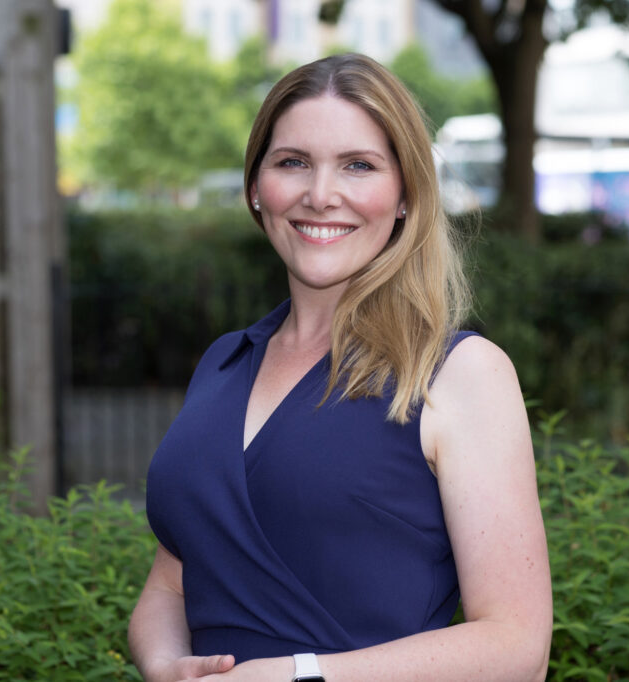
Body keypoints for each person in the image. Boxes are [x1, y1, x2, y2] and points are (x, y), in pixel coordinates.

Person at [128, 53, 552, 682]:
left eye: (358, 165)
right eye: (292, 162)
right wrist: (164, 661)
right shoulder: (223, 362)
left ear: (406, 193)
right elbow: (172, 579)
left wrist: (300, 674)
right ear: (255, 186)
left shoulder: (460, 375)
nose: (320, 195)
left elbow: (518, 648)